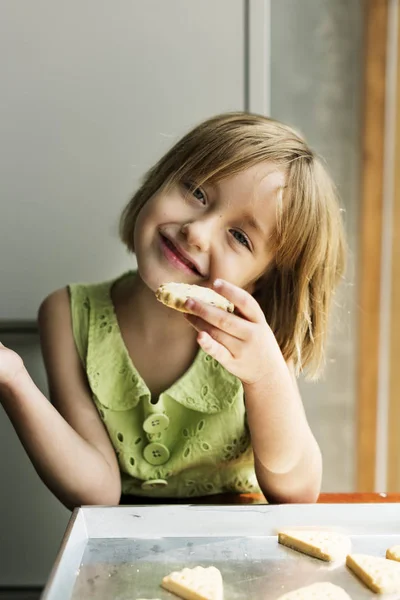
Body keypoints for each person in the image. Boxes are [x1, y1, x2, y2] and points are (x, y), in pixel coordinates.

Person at [0, 113, 346, 509]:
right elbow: (96, 493)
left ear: (263, 281)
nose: (196, 232)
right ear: (161, 178)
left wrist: (266, 377)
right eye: (197, 192)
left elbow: (298, 491)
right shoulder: (67, 313)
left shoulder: (253, 342)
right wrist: (12, 378)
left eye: (238, 236)